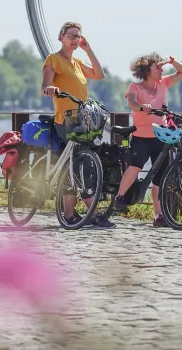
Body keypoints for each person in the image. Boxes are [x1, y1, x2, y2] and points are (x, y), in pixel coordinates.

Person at [41, 21, 114, 229]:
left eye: (78, 36)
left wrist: (88, 50)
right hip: (65, 119)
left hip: (83, 119)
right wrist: (50, 89)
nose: (75, 39)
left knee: (81, 162)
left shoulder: (78, 63)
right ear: (61, 37)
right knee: (77, 164)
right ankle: (87, 213)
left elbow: (100, 75)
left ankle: (74, 212)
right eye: (71, 35)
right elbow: (45, 85)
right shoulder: (53, 60)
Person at [113, 53, 182, 227]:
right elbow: (131, 103)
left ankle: (158, 216)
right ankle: (120, 197)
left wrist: (172, 61)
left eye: (162, 67)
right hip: (141, 137)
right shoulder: (135, 87)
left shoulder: (163, 83)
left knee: (160, 178)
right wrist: (141, 107)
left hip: (160, 137)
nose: (161, 70)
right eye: (158, 67)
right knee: (136, 166)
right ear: (147, 70)